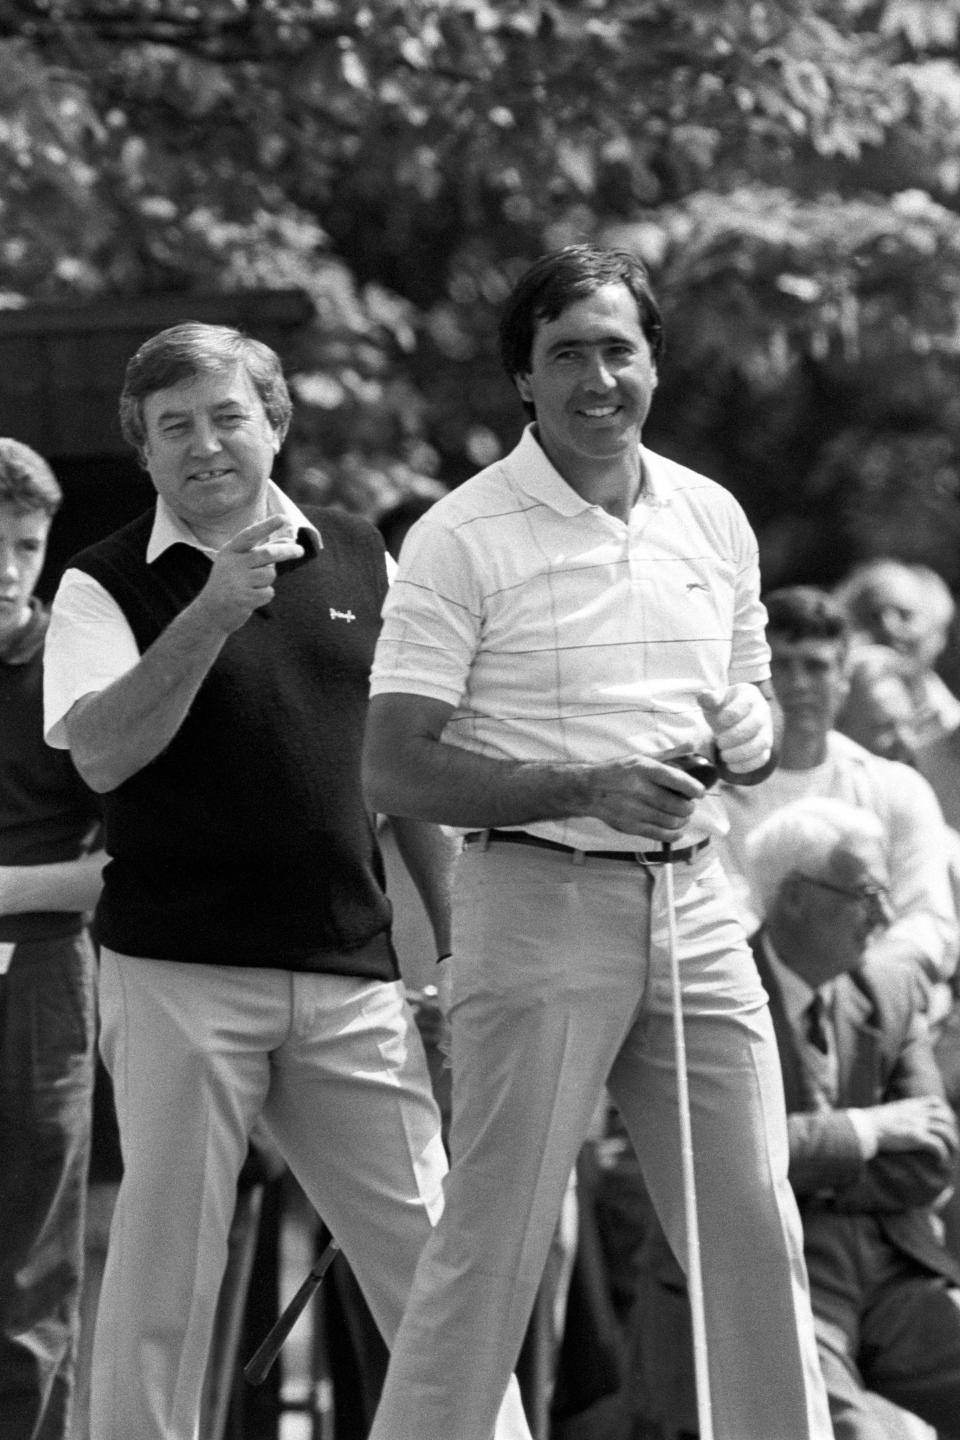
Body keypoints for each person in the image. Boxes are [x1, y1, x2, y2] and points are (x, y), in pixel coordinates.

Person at [362, 243, 832, 1440]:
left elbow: (758, 721)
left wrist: (754, 729)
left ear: (654, 364)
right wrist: (584, 783)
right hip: (536, 904)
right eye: (564, 353)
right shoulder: (459, 536)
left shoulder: (712, 518)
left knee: (755, 1231)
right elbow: (395, 765)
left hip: (700, 912)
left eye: (618, 349)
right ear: (522, 377)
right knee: (493, 1248)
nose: (596, 379)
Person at [42, 322, 531, 1440]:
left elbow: (408, 779)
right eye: (175, 429)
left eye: (227, 418)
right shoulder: (98, 585)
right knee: (163, 1282)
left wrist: (460, 956)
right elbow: (103, 754)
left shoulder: (369, 557)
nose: (206, 447)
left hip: (352, 980)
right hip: (177, 977)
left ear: (275, 423)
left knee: (435, 1265)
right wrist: (212, 607)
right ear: (144, 450)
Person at [746, 796, 960, 1440]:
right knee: (845, 1431)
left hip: (892, 1264)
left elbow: (933, 1155)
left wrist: (806, 1169)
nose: (886, 917)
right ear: (794, 898)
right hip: (778, 1271)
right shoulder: (719, 999)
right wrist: (868, 1132)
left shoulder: (889, 989)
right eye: (865, 894)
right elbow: (733, 1154)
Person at [0, 439, 105, 1439]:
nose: (6, 570)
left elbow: (129, 868)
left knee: (30, 1276)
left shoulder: (77, 667)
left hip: (39, 973)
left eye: (25, 546)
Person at [717, 586, 958, 1009]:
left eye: (816, 666)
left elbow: (928, 920)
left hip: (881, 1005)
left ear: (844, 681)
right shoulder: (716, 797)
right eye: (779, 667)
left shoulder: (897, 787)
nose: (797, 684)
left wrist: (855, 990)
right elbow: (729, 917)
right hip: (759, 1003)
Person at [835, 559, 960, 748]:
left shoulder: (952, 725)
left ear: (938, 632)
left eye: (905, 615)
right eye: (872, 616)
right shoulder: (827, 718)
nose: (888, 628)